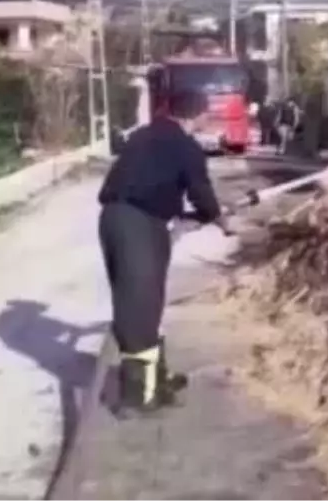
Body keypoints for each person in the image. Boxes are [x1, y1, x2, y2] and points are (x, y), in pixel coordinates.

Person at [96, 89, 231, 417]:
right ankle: (137, 397)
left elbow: (151, 180)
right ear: (198, 115)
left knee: (145, 299)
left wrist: (184, 219)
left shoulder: (143, 135)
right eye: (206, 115)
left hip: (113, 219)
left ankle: (157, 378)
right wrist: (221, 219)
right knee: (140, 305)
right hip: (138, 225)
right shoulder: (186, 147)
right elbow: (201, 193)